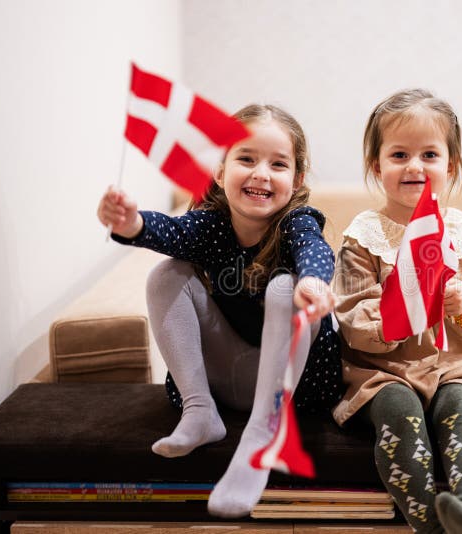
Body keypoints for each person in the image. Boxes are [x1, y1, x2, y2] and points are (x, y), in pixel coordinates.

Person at [97, 104, 343, 518]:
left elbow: (314, 248)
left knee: (287, 287)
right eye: (246, 158)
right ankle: (199, 412)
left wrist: (313, 281)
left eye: (277, 164)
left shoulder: (296, 222)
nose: (261, 173)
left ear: (296, 179)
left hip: (293, 388)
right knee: (165, 273)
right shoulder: (210, 226)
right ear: (220, 170)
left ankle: (263, 434)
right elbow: (170, 231)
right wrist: (132, 224)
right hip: (224, 381)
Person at [332, 89, 462, 534]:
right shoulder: (362, 237)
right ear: (377, 166)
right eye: (399, 154)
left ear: (450, 166)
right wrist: (396, 313)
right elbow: (351, 314)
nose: (414, 166)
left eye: (429, 154)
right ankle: (429, 522)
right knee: (396, 409)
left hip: (452, 365)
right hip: (383, 369)